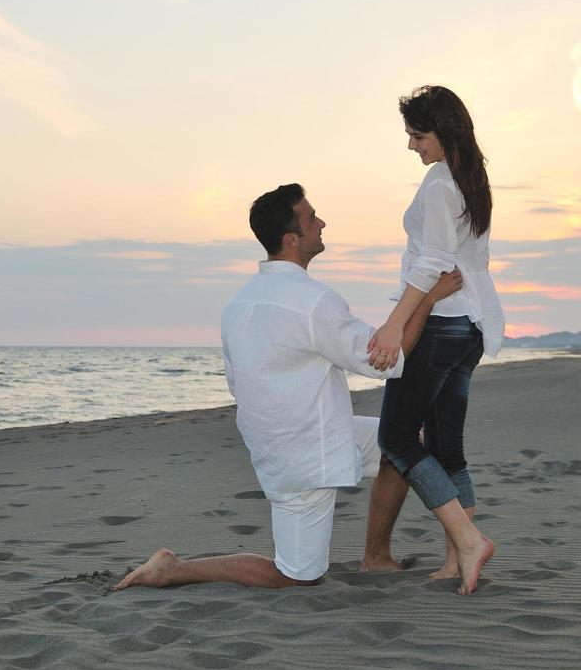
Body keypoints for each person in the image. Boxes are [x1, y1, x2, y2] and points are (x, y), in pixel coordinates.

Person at [114, 184, 461, 592]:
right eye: (312, 218)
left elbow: (237, 382)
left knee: (401, 443)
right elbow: (385, 361)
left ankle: (376, 557)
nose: (322, 223)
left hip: (295, 436)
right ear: (291, 240)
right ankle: (173, 568)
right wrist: (427, 297)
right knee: (297, 576)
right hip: (300, 458)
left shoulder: (238, 304)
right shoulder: (313, 301)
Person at [362, 86, 505, 593]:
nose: (410, 145)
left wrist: (395, 323)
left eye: (417, 135)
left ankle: (468, 541)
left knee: (396, 438)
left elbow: (433, 260)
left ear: (443, 131)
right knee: (448, 450)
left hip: (443, 325)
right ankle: (457, 560)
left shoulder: (441, 183)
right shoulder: (472, 179)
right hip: (469, 326)